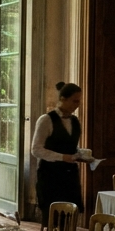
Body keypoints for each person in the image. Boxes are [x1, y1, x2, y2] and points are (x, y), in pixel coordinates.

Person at [31, 81, 88, 215]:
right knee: (53, 217)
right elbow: (36, 149)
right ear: (62, 99)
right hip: (50, 176)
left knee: (70, 216)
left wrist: (81, 155)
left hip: (70, 177)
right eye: (74, 101)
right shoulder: (46, 120)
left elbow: (70, 146)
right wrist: (62, 157)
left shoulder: (75, 121)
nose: (77, 105)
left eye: (79, 101)